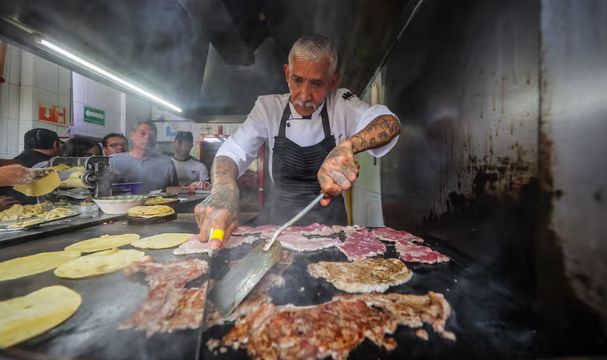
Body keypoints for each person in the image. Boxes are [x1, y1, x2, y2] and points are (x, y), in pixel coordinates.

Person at [195, 34, 401, 249]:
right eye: (297, 80)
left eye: (317, 84)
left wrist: (348, 146)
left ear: (333, 82)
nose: (304, 96)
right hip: (278, 223)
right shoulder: (268, 108)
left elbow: (389, 122)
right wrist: (223, 190)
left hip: (331, 228)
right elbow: (233, 151)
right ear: (287, 73)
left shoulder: (342, 103)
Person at [109, 121, 178, 194]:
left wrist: (186, 189)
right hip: (121, 204)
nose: (147, 137)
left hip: (158, 204)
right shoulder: (114, 161)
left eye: (152, 135)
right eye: (142, 133)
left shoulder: (166, 163)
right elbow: (103, 189)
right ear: (132, 135)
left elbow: (173, 190)